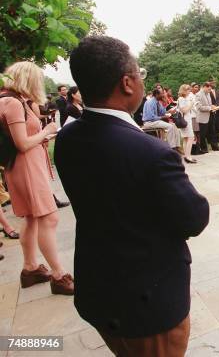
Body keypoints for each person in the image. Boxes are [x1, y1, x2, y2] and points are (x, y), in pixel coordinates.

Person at [56, 36, 209, 355]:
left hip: (99, 288)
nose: (142, 79)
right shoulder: (151, 152)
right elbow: (193, 218)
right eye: (140, 72)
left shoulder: (68, 137)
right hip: (147, 302)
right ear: (127, 83)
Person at [1, 62, 73, 295]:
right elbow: (22, 143)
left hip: (20, 167)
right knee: (48, 218)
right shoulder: (12, 102)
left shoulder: (10, 99)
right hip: (27, 166)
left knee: (32, 219)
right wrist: (46, 131)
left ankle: (30, 268)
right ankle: (59, 275)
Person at [195, 82, 219, 153]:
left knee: (212, 132)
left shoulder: (208, 93)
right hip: (203, 117)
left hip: (210, 114)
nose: (209, 91)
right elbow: (199, 107)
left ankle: (215, 147)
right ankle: (204, 148)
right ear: (204, 87)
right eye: (209, 89)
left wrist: (213, 107)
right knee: (203, 134)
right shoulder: (198, 95)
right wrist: (209, 107)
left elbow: (209, 104)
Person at [177, 84, 197, 164]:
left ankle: (186, 156)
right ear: (184, 91)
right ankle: (188, 156)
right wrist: (191, 104)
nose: (189, 91)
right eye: (188, 90)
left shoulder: (185, 98)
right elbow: (184, 110)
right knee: (191, 137)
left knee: (186, 138)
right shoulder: (181, 99)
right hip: (185, 120)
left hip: (187, 119)